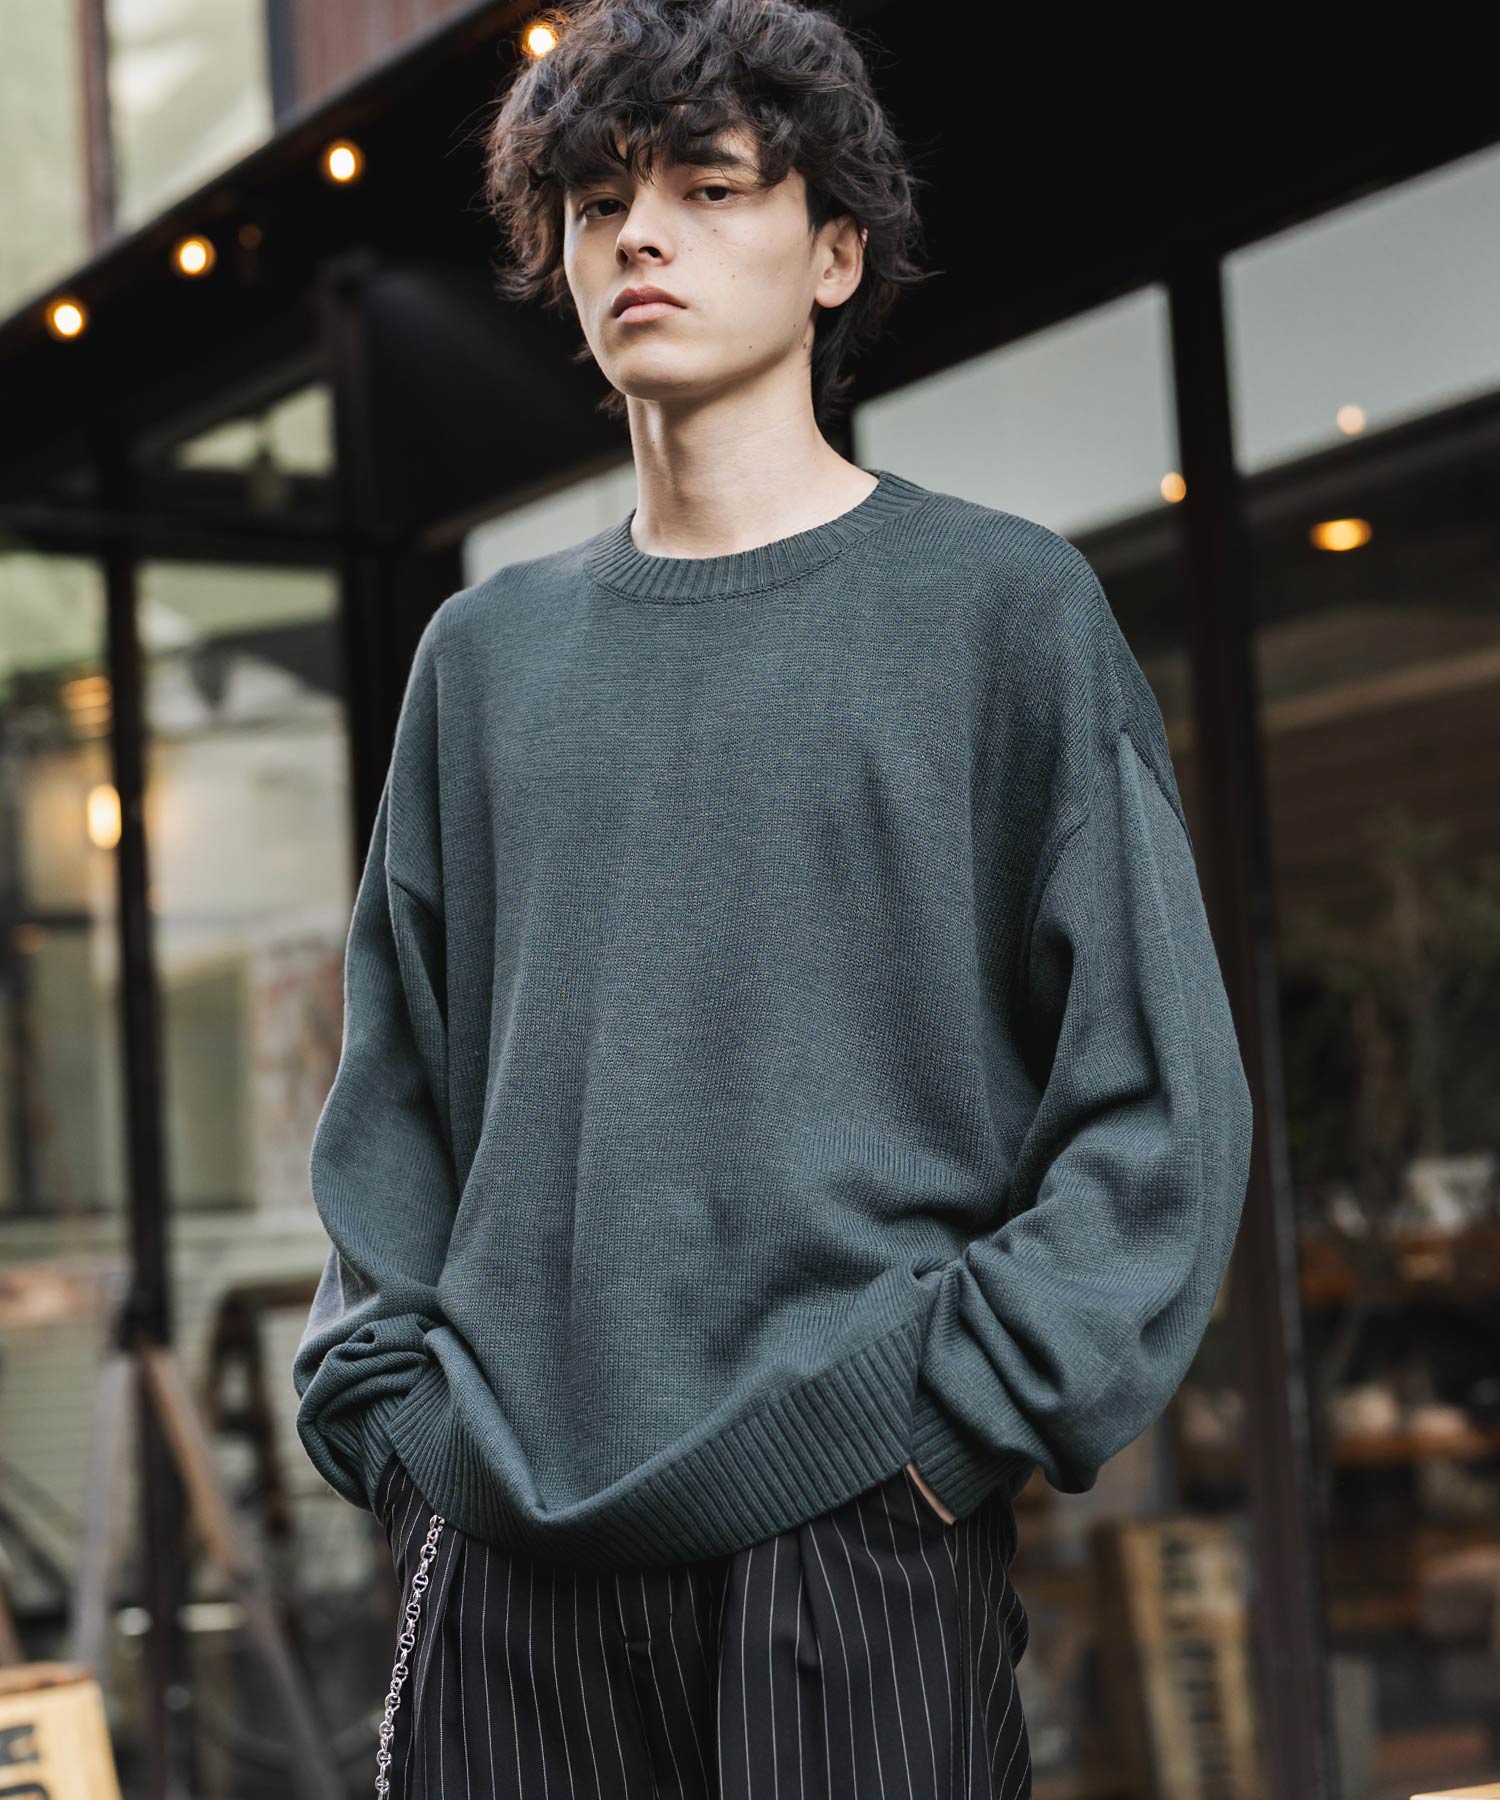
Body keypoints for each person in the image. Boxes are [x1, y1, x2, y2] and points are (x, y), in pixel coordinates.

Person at [291, 0, 1255, 1794]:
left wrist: (941, 1426)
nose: (636, 236)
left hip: (853, 1536)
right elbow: (395, 1097)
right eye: (595, 203)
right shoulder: (483, 659)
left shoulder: (998, 612)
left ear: (835, 253)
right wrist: (403, 1426)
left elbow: (1159, 1108)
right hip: (500, 1554)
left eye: (707, 187)